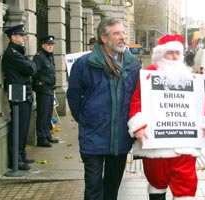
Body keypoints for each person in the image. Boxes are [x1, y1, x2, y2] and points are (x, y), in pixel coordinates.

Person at [127, 34, 205, 200]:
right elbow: (136, 101)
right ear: (161, 54)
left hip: (185, 145)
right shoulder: (148, 75)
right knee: (156, 183)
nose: (174, 57)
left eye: (177, 53)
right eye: (170, 53)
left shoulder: (189, 76)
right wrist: (138, 125)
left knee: (186, 184)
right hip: (156, 144)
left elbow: (201, 103)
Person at [67, 17, 141, 200]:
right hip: (93, 137)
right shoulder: (84, 64)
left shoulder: (133, 65)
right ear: (104, 38)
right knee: (93, 188)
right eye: (117, 33)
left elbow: (138, 98)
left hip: (121, 138)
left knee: (112, 189)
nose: (122, 37)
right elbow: (74, 97)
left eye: (123, 32)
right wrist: (86, 119)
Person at [2, 24, 37, 170]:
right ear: (13, 36)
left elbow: (32, 68)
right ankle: (15, 159)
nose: (23, 37)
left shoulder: (19, 52)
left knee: (23, 128)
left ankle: (21, 154)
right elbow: (31, 68)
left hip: (25, 93)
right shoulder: (12, 54)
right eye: (20, 35)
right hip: (18, 93)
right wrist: (30, 66)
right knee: (18, 126)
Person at [32, 35, 58, 148]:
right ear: (43, 45)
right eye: (48, 44)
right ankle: (41, 138)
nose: (50, 46)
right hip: (43, 89)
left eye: (52, 45)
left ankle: (47, 134)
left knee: (48, 114)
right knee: (42, 114)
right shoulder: (40, 57)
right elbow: (34, 72)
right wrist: (39, 84)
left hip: (50, 89)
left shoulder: (50, 57)